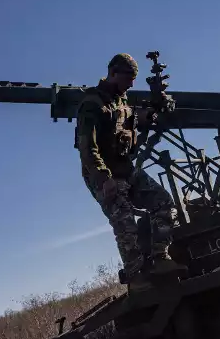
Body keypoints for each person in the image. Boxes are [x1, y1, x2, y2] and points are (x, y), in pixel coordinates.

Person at [75, 53, 188, 292]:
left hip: (126, 169)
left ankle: (160, 258)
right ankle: (136, 277)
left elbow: (134, 122)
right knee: (125, 223)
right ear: (113, 73)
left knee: (164, 203)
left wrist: (154, 112)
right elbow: (87, 147)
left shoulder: (122, 102)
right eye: (129, 77)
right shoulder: (93, 103)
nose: (132, 83)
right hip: (104, 174)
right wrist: (104, 179)